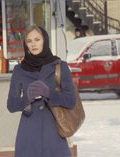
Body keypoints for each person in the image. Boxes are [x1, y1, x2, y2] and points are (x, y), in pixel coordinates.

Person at [7, 25, 76, 157]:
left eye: (37, 39)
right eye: (29, 41)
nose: (33, 44)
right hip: (28, 132)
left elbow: (70, 100)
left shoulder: (60, 66)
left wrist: (49, 93)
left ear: (45, 40)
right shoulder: (19, 70)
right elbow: (11, 105)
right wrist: (26, 99)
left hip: (54, 131)